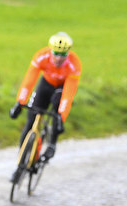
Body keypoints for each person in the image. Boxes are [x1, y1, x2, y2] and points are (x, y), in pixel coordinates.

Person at [9, 32, 82, 165]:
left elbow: (68, 95)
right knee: (31, 118)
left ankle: (52, 144)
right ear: (50, 50)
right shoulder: (41, 56)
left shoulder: (74, 64)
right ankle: (20, 162)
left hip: (62, 87)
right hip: (46, 83)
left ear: (68, 54)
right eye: (56, 53)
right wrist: (20, 103)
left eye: (63, 55)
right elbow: (29, 81)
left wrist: (61, 117)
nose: (59, 58)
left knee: (57, 107)